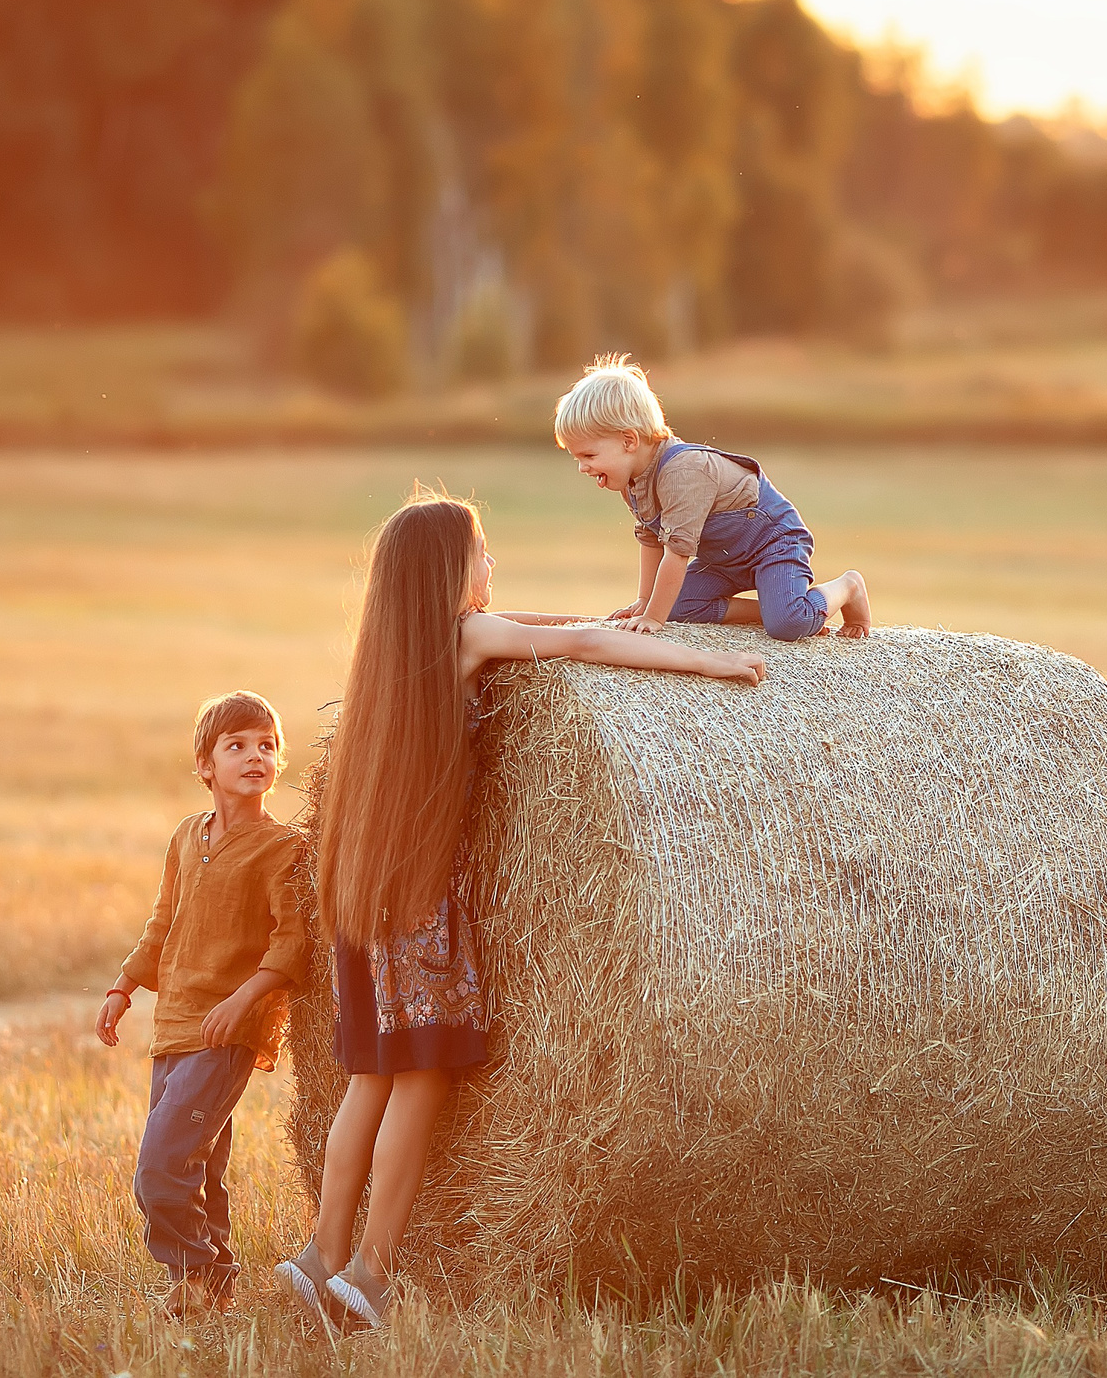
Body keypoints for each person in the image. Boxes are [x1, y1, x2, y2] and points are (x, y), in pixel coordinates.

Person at [273, 492, 766, 1333]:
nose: (492, 565)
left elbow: (564, 622)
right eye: (483, 551)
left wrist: (638, 617)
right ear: (447, 574)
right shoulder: (468, 638)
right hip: (424, 907)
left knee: (366, 1080)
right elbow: (573, 643)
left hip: (363, 897)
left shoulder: (391, 656)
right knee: (420, 1082)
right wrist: (708, 663)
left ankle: (318, 1254)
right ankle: (371, 1271)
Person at [97, 691, 309, 1319]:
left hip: (226, 1034)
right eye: (237, 745)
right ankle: (214, 1288)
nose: (255, 757)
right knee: (202, 1167)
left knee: (159, 1169)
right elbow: (163, 922)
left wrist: (244, 1001)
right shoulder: (188, 837)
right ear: (205, 766)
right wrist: (123, 986)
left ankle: (196, 1271)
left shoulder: (281, 848)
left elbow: (292, 940)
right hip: (173, 1027)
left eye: (267, 745)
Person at [552, 355, 871, 642]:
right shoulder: (632, 483)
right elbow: (652, 540)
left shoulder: (682, 472)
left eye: (589, 454)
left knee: (788, 625)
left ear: (628, 441)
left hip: (772, 544)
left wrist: (652, 618)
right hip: (725, 558)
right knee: (679, 607)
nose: (582, 467)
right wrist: (645, 601)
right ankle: (770, 609)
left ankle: (847, 587)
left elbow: (676, 554)